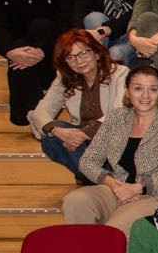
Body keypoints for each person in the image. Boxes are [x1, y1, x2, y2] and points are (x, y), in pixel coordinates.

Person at [61, 63, 158, 230]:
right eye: (138, 88)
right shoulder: (116, 118)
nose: (145, 95)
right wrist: (113, 185)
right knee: (75, 201)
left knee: (114, 229)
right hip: (117, 188)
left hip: (156, 195)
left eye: (152, 89)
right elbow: (88, 160)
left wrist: (138, 188)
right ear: (127, 90)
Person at [31, 30, 128, 177]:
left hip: (113, 140)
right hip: (85, 145)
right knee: (49, 135)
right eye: (70, 57)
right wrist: (58, 131)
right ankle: (99, 177)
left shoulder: (120, 73)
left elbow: (119, 113)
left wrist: (82, 134)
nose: (79, 61)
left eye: (83, 53)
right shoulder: (64, 78)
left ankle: (97, 176)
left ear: (96, 53)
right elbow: (40, 112)